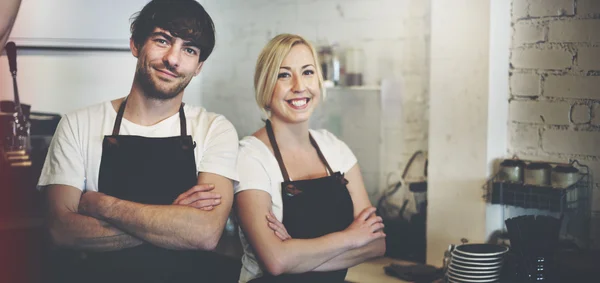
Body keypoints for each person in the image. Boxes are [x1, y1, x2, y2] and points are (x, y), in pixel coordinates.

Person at [38, 0, 239, 282]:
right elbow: (61, 230)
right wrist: (174, 224)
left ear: (198, 66)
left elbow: (204, 233)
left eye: (189, 49)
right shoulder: (77, 124)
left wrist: (100, 205)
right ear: (135, 44)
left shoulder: (215, 129)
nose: (173, 58)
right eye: (162, 40)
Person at [234, 33, 386, 283]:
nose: (299, 86)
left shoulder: (335, 149)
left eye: (307, 72)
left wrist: (297, 252)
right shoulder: (250, 157)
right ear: (265, 84)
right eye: (284, 75)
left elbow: (376, 243)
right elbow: (275, 260)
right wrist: (351, 238)